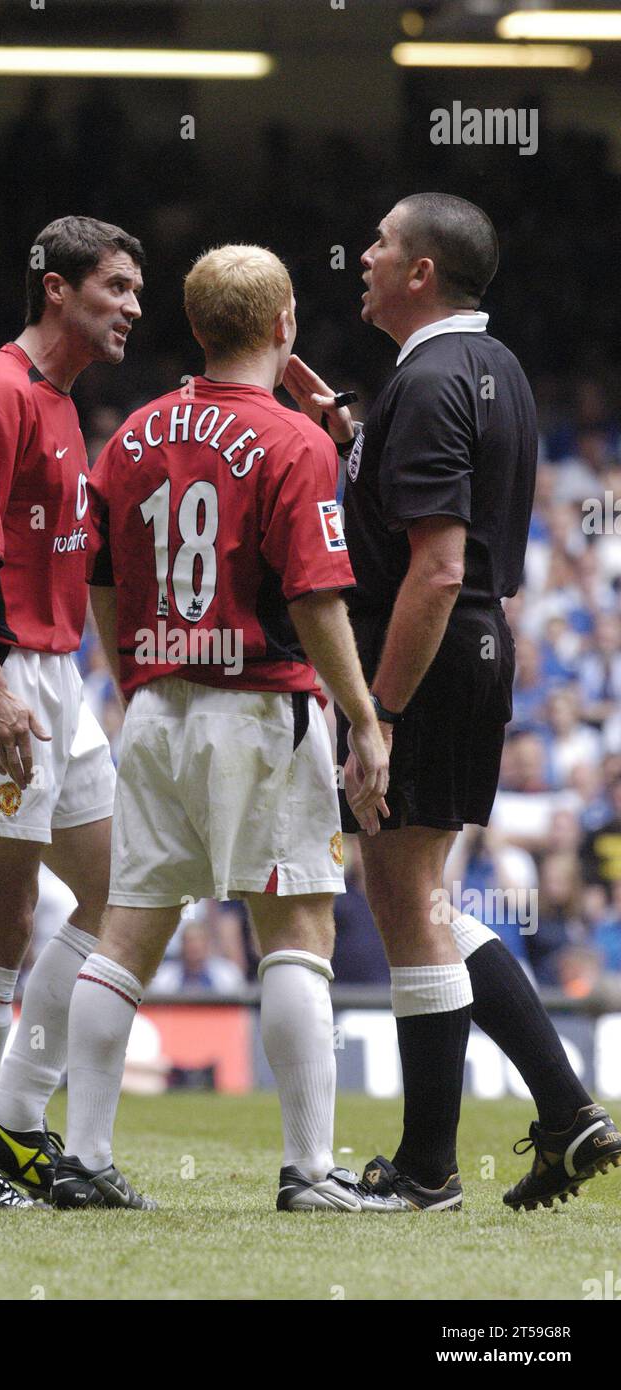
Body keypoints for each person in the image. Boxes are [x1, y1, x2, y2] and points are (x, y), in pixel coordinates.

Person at [284, 192, 621, 1211]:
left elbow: (432, 568)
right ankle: (565, 1110)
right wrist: (345, 428)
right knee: (414, 896)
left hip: (425, 648)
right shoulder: (491, 368)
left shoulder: (427, 380)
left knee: (409, 902)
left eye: (381, 243)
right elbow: (420, 513)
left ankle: (429, 1168)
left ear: (420, 271)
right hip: (470, 644)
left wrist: (374, 711)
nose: (366, 254)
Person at [51, 244, 404, 1214]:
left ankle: (80, 1156)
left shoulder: (130, 434)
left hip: (157, 708)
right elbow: (319, 598)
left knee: (123, 933)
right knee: (296, 931)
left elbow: (100, 580)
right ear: (286, 322)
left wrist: (134, 679)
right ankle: (307, 1171)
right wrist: (365, 720)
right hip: (264, 704)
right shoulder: (298, 443)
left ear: (196, 325)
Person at [0, 215, 144, 1210]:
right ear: (57, 288)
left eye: (135, 290)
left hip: (54, 677)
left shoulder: (60, 402)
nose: (133, 306)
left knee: (118, 890)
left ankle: (16, 1117)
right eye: (116, 287)